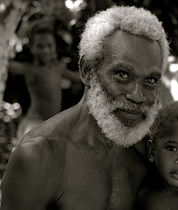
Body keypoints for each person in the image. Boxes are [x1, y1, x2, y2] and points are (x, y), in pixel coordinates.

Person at [0, 5, 169, 210]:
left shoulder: (154, 155)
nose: (137, 96)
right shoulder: (40, 156)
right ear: (87, 70)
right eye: (123, 75)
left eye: (150, 80)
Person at [7, 18, 81, 140]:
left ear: (55, 48)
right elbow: (6, 62)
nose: (45, 50)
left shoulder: (58, 68)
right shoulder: (30, 69)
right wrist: (20, 35)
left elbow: (79, 78)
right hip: (34, 122)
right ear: (32, 48)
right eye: (40, 46)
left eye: (49, 46)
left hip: (52, 123)